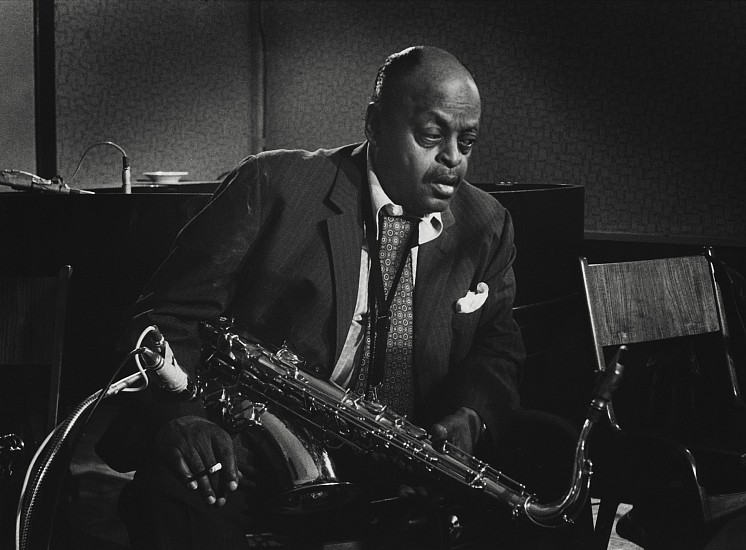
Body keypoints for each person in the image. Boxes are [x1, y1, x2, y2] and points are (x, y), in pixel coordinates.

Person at [98, 45, 586, 549]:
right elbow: (166, 317)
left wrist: (470, 415)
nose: (454, 159)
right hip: (263, 442)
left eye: (468, 141)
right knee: (176, 488)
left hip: (411, 453)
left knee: (553, 449)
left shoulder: (487, 223)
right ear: (375, 124)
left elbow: (498, 348)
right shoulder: (273, 184)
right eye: (433, 135)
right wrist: (180, 417)